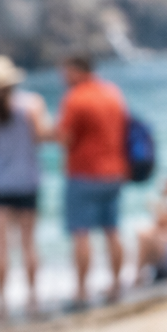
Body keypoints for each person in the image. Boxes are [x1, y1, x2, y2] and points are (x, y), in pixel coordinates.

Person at [0, 55, 51, 320]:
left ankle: (1, 303)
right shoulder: (33, 104)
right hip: (27, 182)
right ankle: (32, 299)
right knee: (29, 244)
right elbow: (41, 138)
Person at [55, 54, 127, 307]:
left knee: (81, 234)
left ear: (77, 70)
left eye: (64, 71)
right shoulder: (113, 93)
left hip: (84, 173)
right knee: (113, 231)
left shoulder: (75, 98)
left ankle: (82, 291)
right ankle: (117, 285)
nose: (62, 77)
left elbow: (64, 137)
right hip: (115, 171)